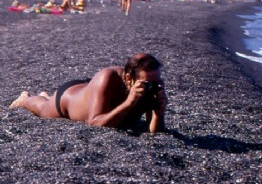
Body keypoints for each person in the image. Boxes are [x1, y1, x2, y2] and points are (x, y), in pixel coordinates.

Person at [10, 53, 168, 133]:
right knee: (43, 109)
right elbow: (94, 122)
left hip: (89, 92)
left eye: (157, 82)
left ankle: (46, 95)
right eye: (146, 83)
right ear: (128, 78)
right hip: (67, 100)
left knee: (46, 102)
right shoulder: (108, 77)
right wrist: (129, 103)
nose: (152, 86)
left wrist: (159, 113)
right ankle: (26, 99)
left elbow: (153, 130)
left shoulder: (150, 86)